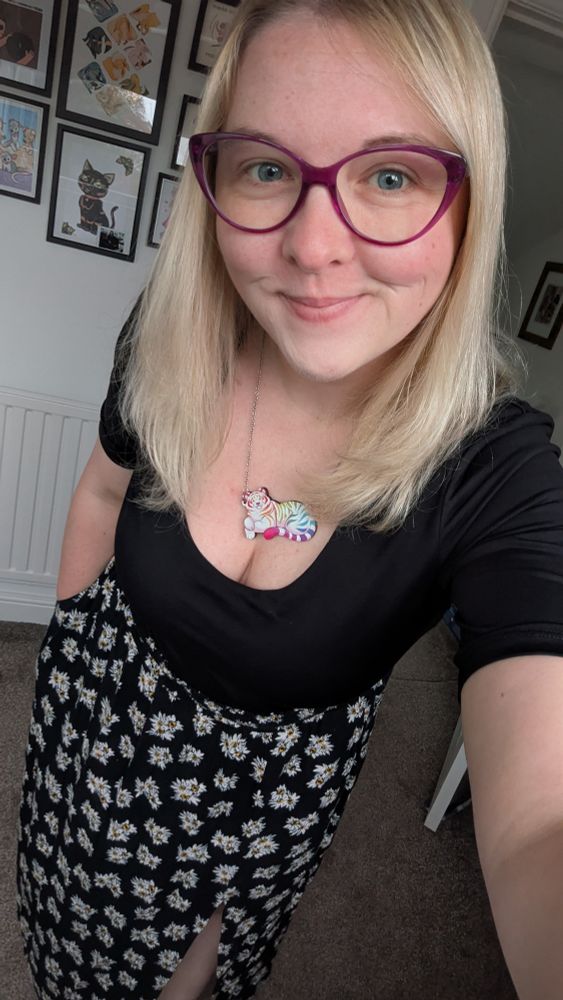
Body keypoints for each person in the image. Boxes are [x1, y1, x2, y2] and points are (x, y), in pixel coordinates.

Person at [16, 1, 563, 998]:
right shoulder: (173, 330)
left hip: (252, 832)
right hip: (88, 735)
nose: (314, 247)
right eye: (267, 167)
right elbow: (99, 487)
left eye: (389, 175)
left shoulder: (492, 466)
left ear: (465, 200)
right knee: (60, 942)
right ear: (215, 181)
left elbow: (537, 821)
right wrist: (67, 648)